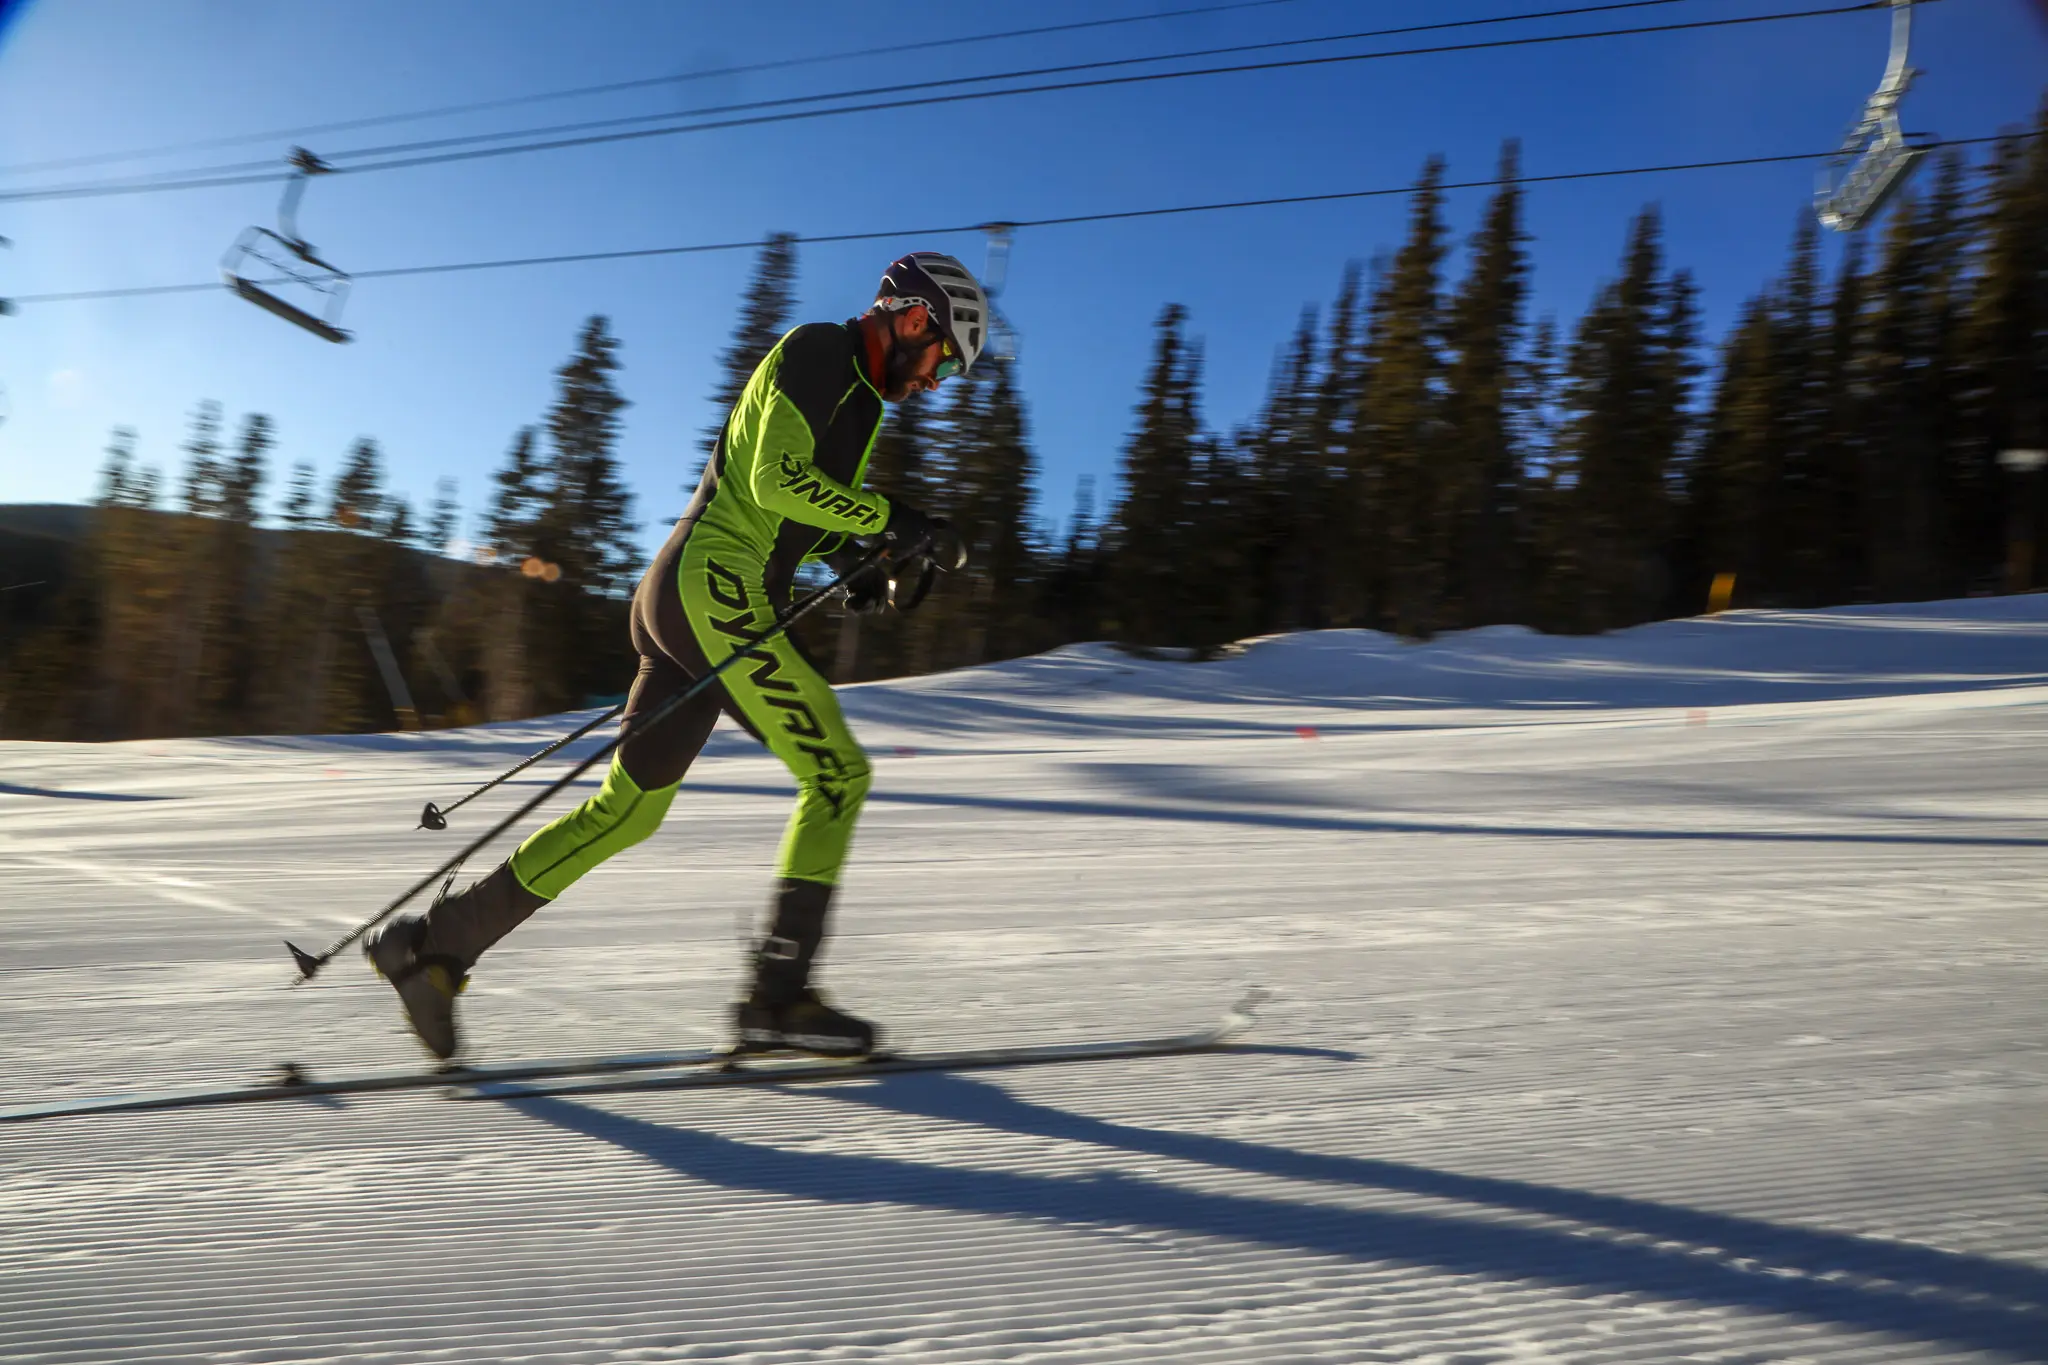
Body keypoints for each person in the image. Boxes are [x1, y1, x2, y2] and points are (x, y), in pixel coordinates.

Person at [365, 251, 989, 1063]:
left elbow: (795, 504)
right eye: (943, 356)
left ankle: (433, 951)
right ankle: (779, 997)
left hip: (691, 592)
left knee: (629, 809)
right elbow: (772, 480)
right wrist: (888, 517)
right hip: (715, 588)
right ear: (914, 319)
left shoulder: (858, 395)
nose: (936, 382)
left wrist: (846, 556)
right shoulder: (821, 353)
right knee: (837, 772)